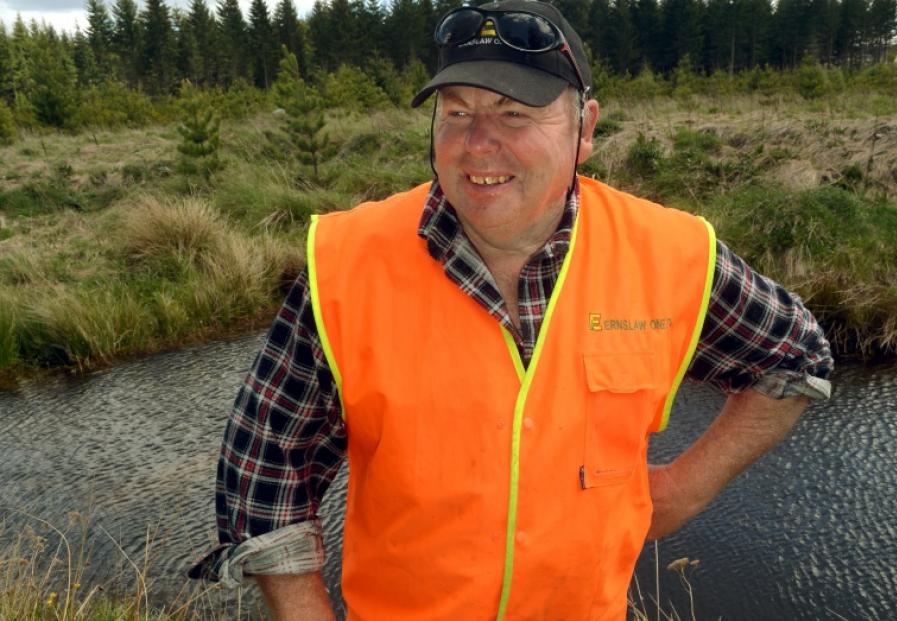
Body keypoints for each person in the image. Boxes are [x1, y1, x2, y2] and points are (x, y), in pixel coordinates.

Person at [190, 1, 833, 619]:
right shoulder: (346, 262)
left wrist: (684, 488)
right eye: (456, 111)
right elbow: (265, 467)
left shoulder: (672, 254)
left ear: (585, 130)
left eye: (514, 114)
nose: (477, 144)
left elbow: (797, 356)